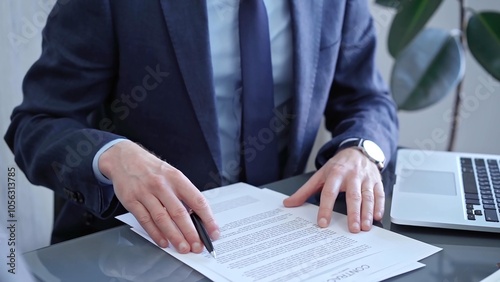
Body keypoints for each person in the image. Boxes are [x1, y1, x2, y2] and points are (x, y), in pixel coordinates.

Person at [5, 0, 398, 255]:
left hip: (285, 239)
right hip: (138, 249)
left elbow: (367, 99)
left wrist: (362, 149)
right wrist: (112, 155)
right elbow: (36, 123)